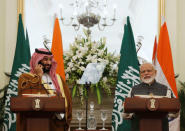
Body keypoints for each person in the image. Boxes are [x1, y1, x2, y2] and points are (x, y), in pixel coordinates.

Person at [17, 48, 72, 131]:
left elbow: (68, 101)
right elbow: (28, 99)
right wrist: (38, 76)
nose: (49, 63)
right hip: (34, 125)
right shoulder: (25, 78)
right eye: (45, 59)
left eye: (50, 59)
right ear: (37, 60)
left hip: (56, 124)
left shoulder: (58, 79)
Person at [123, 63, 175, 131]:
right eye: (143, 71)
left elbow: (174, 112)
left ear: (155, 72)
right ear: (140, 74)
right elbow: (125, 114)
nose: (146, 73)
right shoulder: (133, 90)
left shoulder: (166, 90)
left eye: (149, 71)